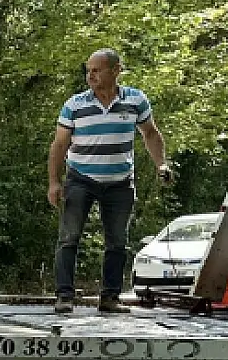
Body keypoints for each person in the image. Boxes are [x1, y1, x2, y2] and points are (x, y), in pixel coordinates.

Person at [48, 49, 169, 314]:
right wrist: (54, 182)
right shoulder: (75, 105)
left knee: (117, 242)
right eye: (88, 70)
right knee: (69, 238)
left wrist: (161, 164)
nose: (90, 75)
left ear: (115, 71)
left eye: (96, 70)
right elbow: (59, 145)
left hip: (120, 181)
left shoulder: (136, 100)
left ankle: (110, 297)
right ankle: (64, 296)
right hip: (80, 178)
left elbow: (150, 134)